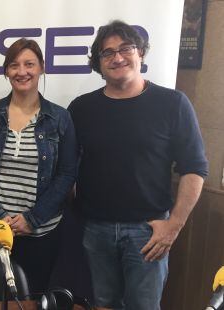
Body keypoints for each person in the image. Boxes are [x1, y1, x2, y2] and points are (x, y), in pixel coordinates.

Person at [68, 20, 208, 310]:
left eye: (125, 48)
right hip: (96, 230)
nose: (117, 57)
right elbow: (68, 165)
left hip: (148, 232)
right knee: (103, 303)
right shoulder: (81, 108)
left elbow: (195, 168)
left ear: (140, 53)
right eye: (107, 53)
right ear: (98, 63)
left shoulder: (172, 104)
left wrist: (173, 226)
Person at [0, 38, 78, 293]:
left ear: (41, 68)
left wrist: (32, 219)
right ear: (6, 71)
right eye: (14, 65)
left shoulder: (59, 118)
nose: (22, 71)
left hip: (40, 233)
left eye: (29, 64)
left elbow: (67, 173)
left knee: (32, 298)